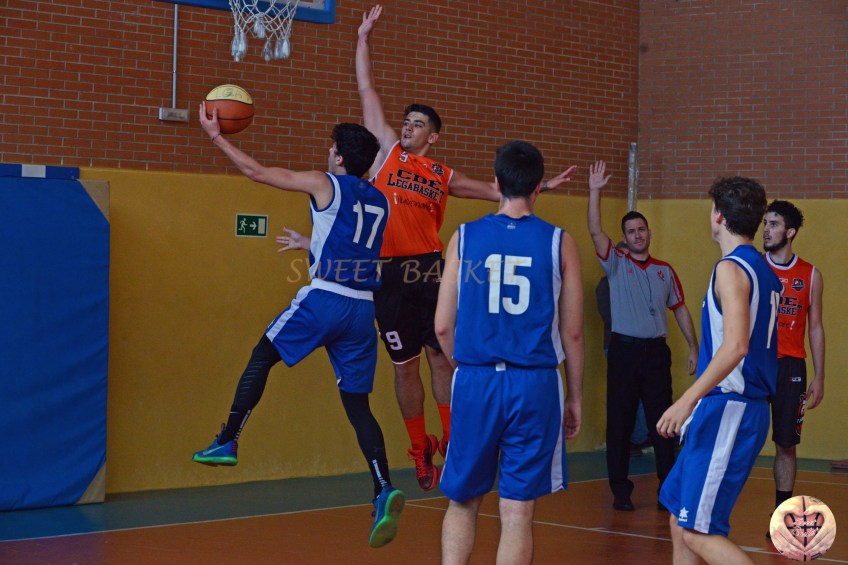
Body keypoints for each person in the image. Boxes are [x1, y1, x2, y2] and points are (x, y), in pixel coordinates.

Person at [345, 5, 576, 492]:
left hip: (430, 268)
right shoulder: (387, 154)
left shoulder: (441, 173)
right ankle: (419, 449)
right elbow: (368, 91)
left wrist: (542, 184)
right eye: (406, 121)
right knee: (404, 366)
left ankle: (452, 441)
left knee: (441, 357)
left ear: (433, 135)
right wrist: (363, 39)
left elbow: (502, 191)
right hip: (388, 272)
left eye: (417, 123)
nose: (408, 127)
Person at [191, 107, 403, 549]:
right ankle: (384, 487)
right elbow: (355, 245)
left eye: (332, 148)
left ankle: (227, 441)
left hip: (324, 300)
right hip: (362, 310)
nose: (328, 153)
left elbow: (258, 173)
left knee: (261, 357)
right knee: (358, 407)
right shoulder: (380, 200)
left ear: (340, 157)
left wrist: (216, 137)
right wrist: (310, 243)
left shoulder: (325, 183)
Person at [434, 141, 583, 564]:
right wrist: (574, 396)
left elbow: (442, 325)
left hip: (476, 379)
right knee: (517, 513)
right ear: (538, 187)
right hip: (534, 383)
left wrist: (467, 367)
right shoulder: (560, 242)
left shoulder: (464, 237)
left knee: (463, 501)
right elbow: (572, 333)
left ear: (496, 183)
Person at [657, 176, 783, 564]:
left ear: (719, 216)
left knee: (698, 532)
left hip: (731, 406)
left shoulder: (731, 269)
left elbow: (736, 346)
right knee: (679, 516)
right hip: (729, 406)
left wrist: (686, 400)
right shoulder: (764, 270)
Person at [587, 161, 699, 511]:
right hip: (624, 352)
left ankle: (668, 489)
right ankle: (621, 492)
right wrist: (594, 191)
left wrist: (694, 347)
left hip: (656, 355)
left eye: (641, 230)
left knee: (663, 422)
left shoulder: (665, 270)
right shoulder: (616, 263)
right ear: (625, 236)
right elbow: (595, 231)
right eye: (631, 231)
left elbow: (680, 309)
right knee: (620, 423)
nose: (637, 235)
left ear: (649, 233)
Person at [762, 200, 826, 516]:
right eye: (765, 223)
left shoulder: (810, 275)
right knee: (737, 438)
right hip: (755, 363)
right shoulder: (754, 267)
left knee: (786, 444)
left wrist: (820, 375)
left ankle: (780, 515)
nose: (766, 229)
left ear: (790, 232)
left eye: (773, 224)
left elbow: (815, 327)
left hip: (791, 366)